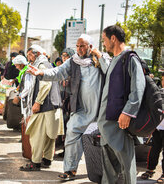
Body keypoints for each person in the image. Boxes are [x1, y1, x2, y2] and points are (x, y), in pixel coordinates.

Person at [27, 34, 103, 179]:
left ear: (90, 47)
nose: (79, 49)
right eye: (78, 46)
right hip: (81, 109)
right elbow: (58, 72)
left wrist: (100, 56)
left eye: (83, 46)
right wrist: (41, 73)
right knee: (72, 135)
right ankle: (70, 170)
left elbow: (111, 70)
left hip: (101, 110)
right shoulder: (73, 62)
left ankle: (109, 173)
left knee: (104, 142)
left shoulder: (99, 60)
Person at [91, 25, 146, 184]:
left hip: (120, 125)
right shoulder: (116, 59)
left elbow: (138, 87)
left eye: (104, 39)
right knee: (108, 170)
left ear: (113, 38)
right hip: (107, 126)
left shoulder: (130, 58)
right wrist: (100, 57)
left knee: (127, 167)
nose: (104, 43)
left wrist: (128, 112)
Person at [19, 45, 63, 171]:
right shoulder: (48, 64)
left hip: (44, 107)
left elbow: (45, 85)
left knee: (36, 135)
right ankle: (47, 160)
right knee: (50, 136)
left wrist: (37, 102)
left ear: (37, 54)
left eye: (30, 55)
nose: (28, 58)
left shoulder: (41, 65)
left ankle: (35, 162)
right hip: (54, 105)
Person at [140, 73, 164, 183]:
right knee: (154, 149)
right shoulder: (158, 91)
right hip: (158, 128)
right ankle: (150, 169)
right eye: (163, 79)